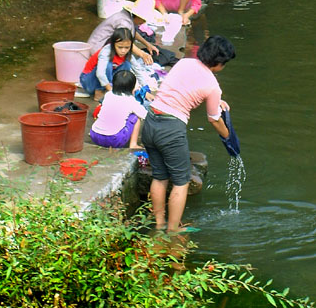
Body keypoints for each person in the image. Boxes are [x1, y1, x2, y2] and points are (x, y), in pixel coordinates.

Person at [141, 35, 236, 234]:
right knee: (181, 181)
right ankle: (173, 231)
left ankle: (159, 225)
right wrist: (228, 136)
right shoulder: (212, 86)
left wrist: (215, 101)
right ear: (219, 63)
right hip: (171, 129)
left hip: (151, 120)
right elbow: (214, 119)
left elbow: (183, 87)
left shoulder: (185, 63)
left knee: (159, 176)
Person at [87, 0, 160, 63]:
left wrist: (147, 44)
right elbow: (125, 41)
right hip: (97, 48)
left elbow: (132, 32)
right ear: (138, 16)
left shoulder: (129, 18)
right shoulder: (124, 22)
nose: (144, 22)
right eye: (144, 19)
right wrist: (142, 54)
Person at [80, 27, 152, 95]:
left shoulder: (128, 55)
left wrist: (145, 89)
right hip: (88, 80)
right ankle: (101, 91)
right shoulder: (106, 51)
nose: (123, 51)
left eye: (127, 47)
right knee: (108, 65)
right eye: (120, 47)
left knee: (127, 64)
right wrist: (110, 90)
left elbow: (138, 71)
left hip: (105, 81)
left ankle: (117, 89)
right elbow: (100, 73)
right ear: (113, 44)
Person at [89, 70, 147, 149]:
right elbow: (145, 115)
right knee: (136, 117)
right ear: (131, 87)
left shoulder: (108, 94)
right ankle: (133, 144)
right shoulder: (130, 100)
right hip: (114, 139)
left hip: (94, 135)